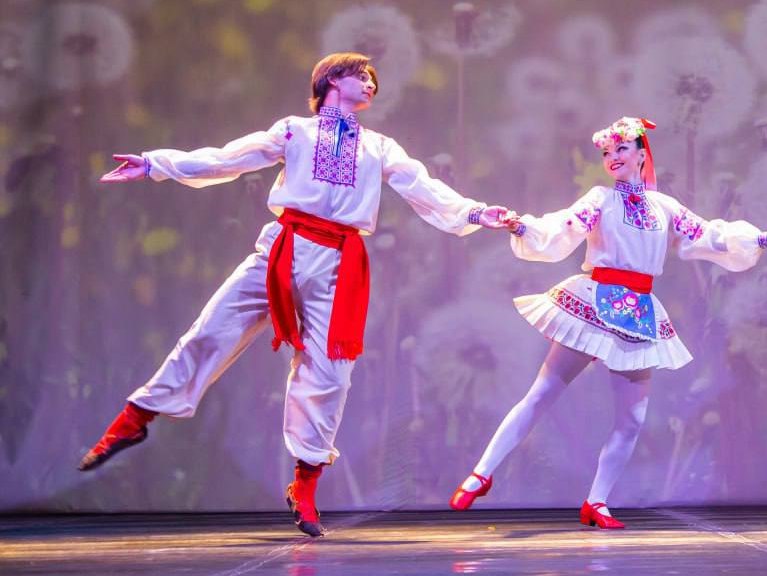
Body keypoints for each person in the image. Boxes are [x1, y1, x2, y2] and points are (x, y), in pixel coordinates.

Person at [78, 52, 513, 537]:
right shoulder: (294, 132)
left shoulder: (380, 147)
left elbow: (424, 189)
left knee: (330, 374)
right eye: (361, 75)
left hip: (339, 263)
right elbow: (228, 158)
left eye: (373, 78)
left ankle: (304, 486)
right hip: (283, 249)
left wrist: (477, 213)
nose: (370, 83)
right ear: (332, 80)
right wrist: (155, 164)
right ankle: (134, 418)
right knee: (212, 331)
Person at [448, 117, 767, 528]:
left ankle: (597, 501)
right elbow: (563, 226)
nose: (612, 157)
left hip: (639, 313)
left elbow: (709, 235)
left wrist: (763, 238)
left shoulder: (665, 208)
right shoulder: (600, 199)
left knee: (631, 420)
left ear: (642, 154)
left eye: (621, 149)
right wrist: (522, 225)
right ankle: (481, 473)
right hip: (594, 303)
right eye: (607, 152)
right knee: (541, 394)